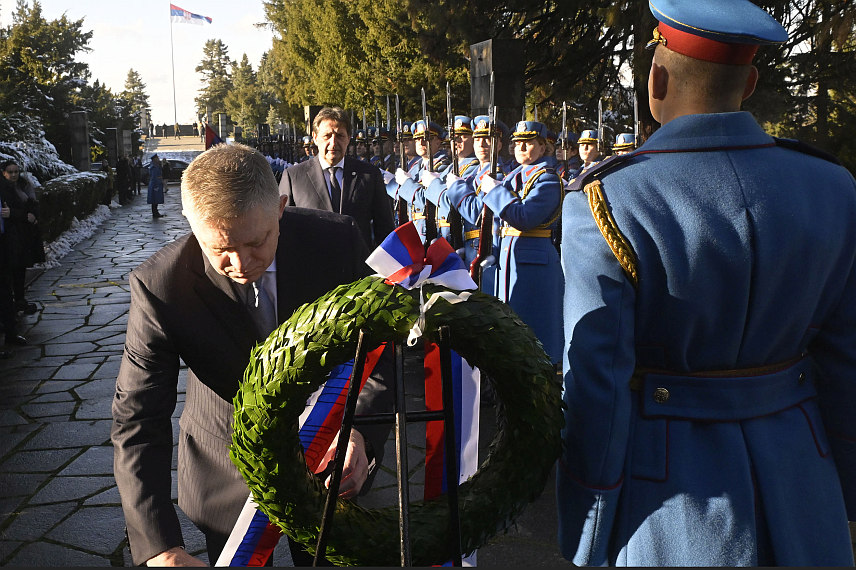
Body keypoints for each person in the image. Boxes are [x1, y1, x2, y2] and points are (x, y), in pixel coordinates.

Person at [557, 0, 856, 566]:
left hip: (669, 504)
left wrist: (586, 533)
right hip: (804, 490)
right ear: (749, 84)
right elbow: (847, 363)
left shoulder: (607, 202)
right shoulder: (834, 188)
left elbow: (597, 388)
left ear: (657, 77)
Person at [112, 143, 392, 567]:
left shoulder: (337, 243)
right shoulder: (161, 287)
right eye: (219, 249)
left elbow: (378, 345)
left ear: (280, 207)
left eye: (256, 242)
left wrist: (360, 432)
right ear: (190, 222)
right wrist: (158, 547)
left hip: (328, 460)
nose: (241, 263)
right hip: (223, 471)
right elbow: (138, 418)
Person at [478, 120, 564, 365]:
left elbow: (524, 218)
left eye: (528, 143)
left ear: (542, 147)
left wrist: (494, 191)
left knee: (535, 337)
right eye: (517, 143)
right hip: (508, 261)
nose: (521, 147)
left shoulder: (547, 180)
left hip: (532, 266)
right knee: (510, 332)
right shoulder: (513, 176)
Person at [279, 107, 395, 250]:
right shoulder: (294, 177)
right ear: (315, 137)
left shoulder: (369, 175)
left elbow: (384, 229)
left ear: (348, 138)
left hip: (357, 268)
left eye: (340, 136)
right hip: (311, 268)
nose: (333, 143)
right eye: (327, 136)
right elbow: (282, 230)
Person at [0, 160, 43, 316]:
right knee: (12, 271)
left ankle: (20, 300)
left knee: (20, 269)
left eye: (16, 171)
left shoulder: (24, 185)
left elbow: (33, 205)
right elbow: (8, 212)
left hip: (24, 234)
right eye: (10, 172)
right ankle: (13, 304)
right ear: (3, 172)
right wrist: (25, 216)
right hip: (12, 237)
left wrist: (33, 216)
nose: (13, 175)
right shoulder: (4, 189)